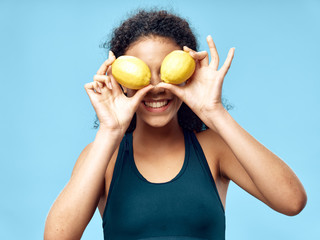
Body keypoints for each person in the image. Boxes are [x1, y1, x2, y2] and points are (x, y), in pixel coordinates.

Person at [44, 9, 307, 240]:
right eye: (143, 75)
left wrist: (214, 112)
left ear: (188, 74)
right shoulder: (103, 156)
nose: (157, 87)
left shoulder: (213, 149)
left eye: (166, 72)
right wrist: (110, 130)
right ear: (121, 80)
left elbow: (292, 201)